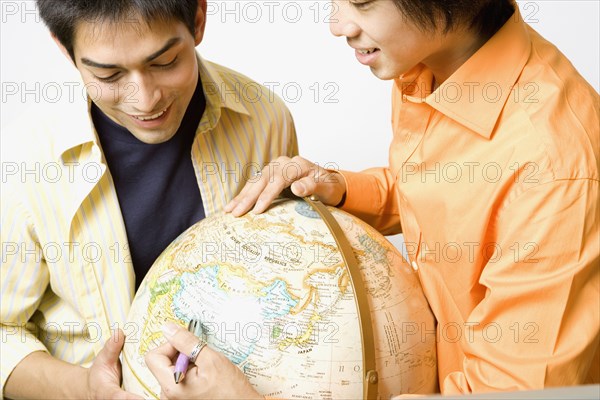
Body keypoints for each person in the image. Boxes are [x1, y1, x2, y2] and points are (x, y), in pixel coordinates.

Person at [145, 0, 599, 397]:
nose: (337, 24)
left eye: (361, 2)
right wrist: (339, 187)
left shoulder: (556, 170)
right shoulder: (432, 64)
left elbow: (510, 396)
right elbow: (458, 193)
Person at [0, 0, 298, 397]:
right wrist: (85, 389)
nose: (145, 99)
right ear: (64, 49)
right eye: (108, 74)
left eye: (166, 62)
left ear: (198, 20)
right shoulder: (26, 160)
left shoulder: (264, 117)